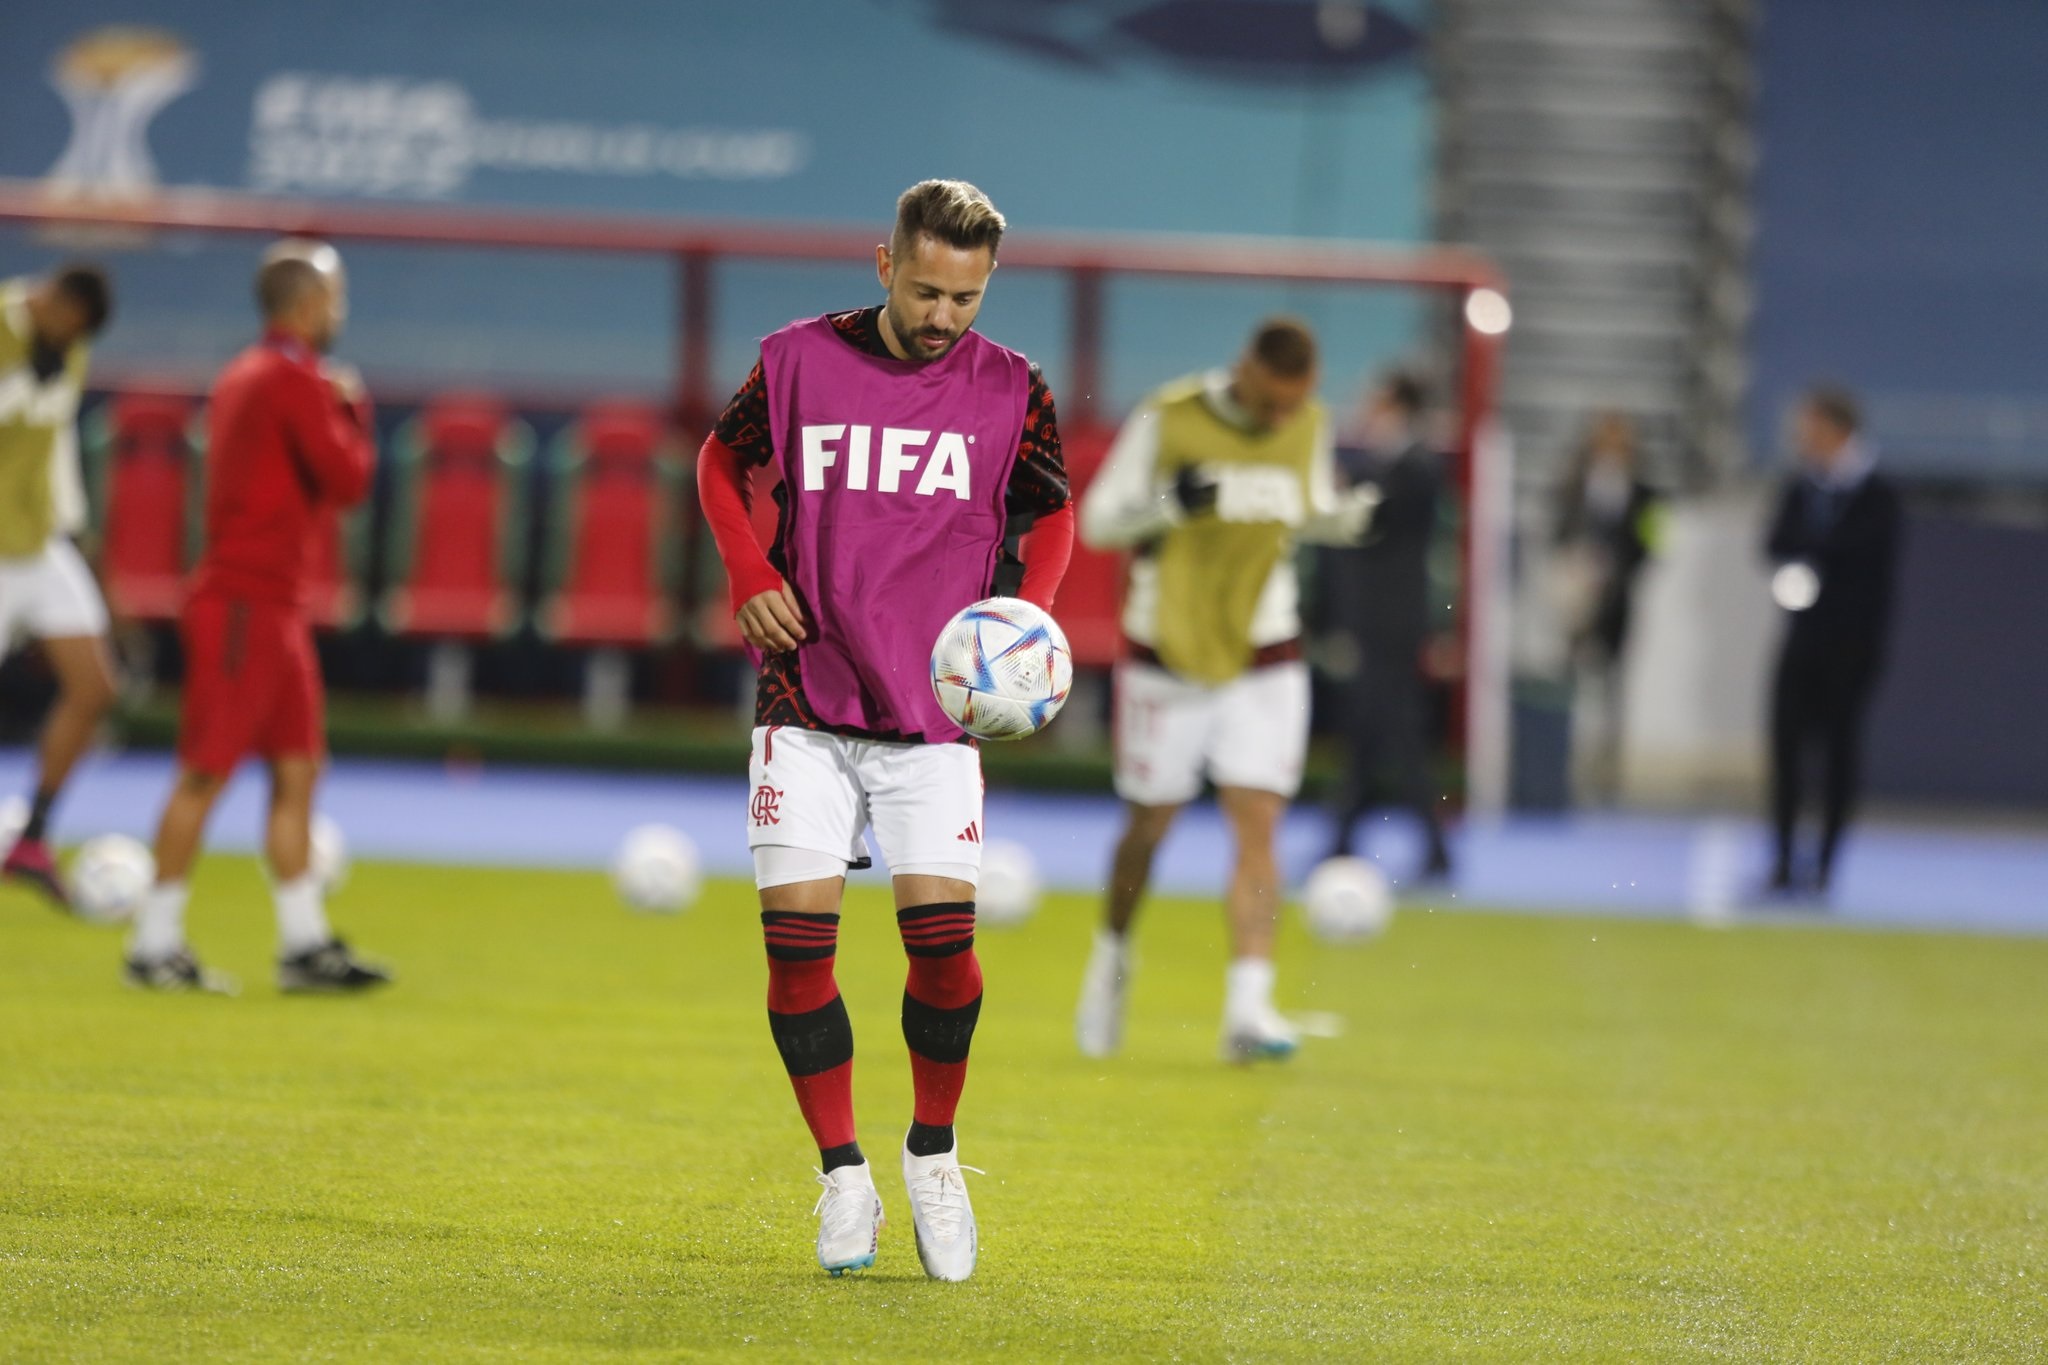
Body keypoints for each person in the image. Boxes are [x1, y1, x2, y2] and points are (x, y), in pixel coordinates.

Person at [696, 180, 1072, 1280]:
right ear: (881, 265)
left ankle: (932, 1153)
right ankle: (841, 1176)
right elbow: (722, 461)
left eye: (964, 296)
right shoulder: (796, 361)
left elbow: (1047, 511)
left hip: (934, 715)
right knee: (796, 951)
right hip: (804, 694)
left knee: (944, 956)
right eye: (924, 290)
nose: (943, 316)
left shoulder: (1015, 390)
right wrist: (747, 566)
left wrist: (1028, 616)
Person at [1073, 318, 1373, 1064]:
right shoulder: (1168, 416)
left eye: (1294, 403)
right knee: (1149, 827)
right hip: (1166, 657)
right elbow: (1099, 524)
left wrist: (1353, 519)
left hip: (1265, 653)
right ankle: (1112, 954)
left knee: (1258, 824)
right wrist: (1171, 504)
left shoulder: (1308, 424)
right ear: (1244, 369)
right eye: (1272, 402)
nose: (1281, 418)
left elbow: (1308, 514)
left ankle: (1249, 1006)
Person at [125, 240, 390, 993]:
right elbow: (348, 478)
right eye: (334, 296)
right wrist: (354, 406)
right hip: (247, 602)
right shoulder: (292, 379)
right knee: (205, 771)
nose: (338, 310)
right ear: (308, 305)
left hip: (268, 602)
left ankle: (304, 943)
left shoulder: (248, 371)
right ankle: (152, 943)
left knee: (298, 768)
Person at [0, 264, 120, 908]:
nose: (70, 337)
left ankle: (31, 838)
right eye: (68, 323)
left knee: (96, 684)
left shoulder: (67, 350)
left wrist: (78, 532)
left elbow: (56, 444)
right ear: (48, 298)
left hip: (38, 542)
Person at [1763, 386, 1902, 897]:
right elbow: (1775, 542)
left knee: (1839, 754)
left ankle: (1825, 864)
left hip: (1850, 647)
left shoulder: (1877, 494)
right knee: (1785, 750)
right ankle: (1781, 861)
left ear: (1840, 431)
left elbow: (1862, 560)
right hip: (1802, 641)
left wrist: (1815, 549)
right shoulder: (1803, 488)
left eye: (1813, 429)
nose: (1804, 440)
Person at [1317, 370, 1452, 875]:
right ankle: (1345, 839)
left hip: (1393, 620)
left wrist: (1343, 485)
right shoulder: (1389, 463)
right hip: (1374, 618)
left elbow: (1376, 513)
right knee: (1374, 731)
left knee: (1393, 729)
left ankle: (1423, 845)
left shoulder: (1416, 464)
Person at [1552, 410, 1660, 804]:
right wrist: (1578, 562)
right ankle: (1563, 761)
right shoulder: (1575, 484)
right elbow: (1558, 528)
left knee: (1613, 684)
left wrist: (1618, 568)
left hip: (1619, 596)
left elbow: (1655, 542)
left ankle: (1607, 766)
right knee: (1570, 677)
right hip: (1578, 593)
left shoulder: (1646, 491)